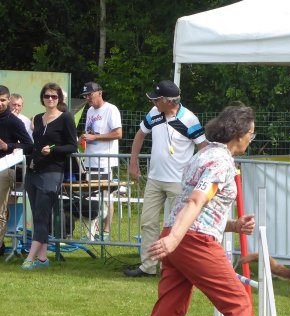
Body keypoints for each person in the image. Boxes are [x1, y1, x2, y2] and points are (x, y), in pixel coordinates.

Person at [136, 104, 259, 316]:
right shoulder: (221, 161)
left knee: (169, 308)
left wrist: (233, 225)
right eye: (251, 133)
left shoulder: (202, 155)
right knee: (237, 301)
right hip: (191, 240)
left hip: (177, 235)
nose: (252, 138)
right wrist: (175, 240)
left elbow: (201, 210)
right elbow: (195, 200)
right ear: (238, 133)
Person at [124, 80, 207, 277]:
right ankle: (148, 266)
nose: (153, 102)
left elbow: (203, 148)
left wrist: (200, 175)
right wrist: (133, 162)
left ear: (169, 101)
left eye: (156, 99)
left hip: (179, 183)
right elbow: (139, 135)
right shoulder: (154, 114)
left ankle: (178, 268)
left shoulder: (189, 119)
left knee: (178, 227)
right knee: (147, 222)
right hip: (154, 179)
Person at [21, 83, 78, 270]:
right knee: (38, 215)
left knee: (43, 213)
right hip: (33, 171)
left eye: (54, 96)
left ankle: (30, 257)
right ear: (42, 98)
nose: (50, 99)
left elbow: (72, 146)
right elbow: (33, 144)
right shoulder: (37, 118)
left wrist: (52, 151)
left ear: (59, 98)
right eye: (47, 96)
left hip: (53, 171)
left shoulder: (66, 118)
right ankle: (43, 259)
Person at [79, 82, 122, 240]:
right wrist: (83, 139)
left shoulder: (111, 109)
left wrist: (95, 137)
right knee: (92, 197)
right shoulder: (90, 111)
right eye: (85, 95)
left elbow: (118, 133)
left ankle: (106, 232)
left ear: (99, 93)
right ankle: (93, 232)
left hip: (105, 161)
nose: (87, 98)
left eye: (89, 94)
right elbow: (89, 133)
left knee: (106, 196)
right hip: (89, 160)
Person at [0, 86, 33, 256]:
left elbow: (29, 145)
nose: (0, 103)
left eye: (3, 100)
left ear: (8, 100)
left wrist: (9, 146)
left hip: (5, 168)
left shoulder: (14, 121)